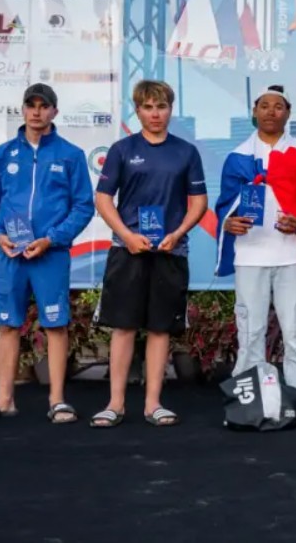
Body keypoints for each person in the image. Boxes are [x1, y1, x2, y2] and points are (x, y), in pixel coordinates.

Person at [0, 84, 95, 424]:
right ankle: (4, 399)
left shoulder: (70, 155)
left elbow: (83, 206)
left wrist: (52, 238)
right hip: (11, 255)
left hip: (50, 255)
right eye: (31, 105)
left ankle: (57, 400)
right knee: (8, 324)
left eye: (44, 105)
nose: (37, 111)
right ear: (23, 110)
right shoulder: (3, 154)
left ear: (55, 111)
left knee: (56, 324)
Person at [215, 84, 296, 426]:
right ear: (254, 111)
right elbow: (224, 205)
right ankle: (247, 403)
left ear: (288, 113)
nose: (271, 111)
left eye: (278, 106)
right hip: (250, 256)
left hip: (291, 256)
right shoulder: (238, 156)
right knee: (249, 332)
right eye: (264, 105)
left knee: (295, 331)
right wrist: (229, 223)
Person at [91, 80, 208, 428]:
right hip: (127, 251)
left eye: (161, 107)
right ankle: (115, 404)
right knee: (123, 327)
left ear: (171, 109)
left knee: (160, 329)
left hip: (171, 250)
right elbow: (103, 199)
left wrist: (177, 233)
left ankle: (153, 404)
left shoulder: (186, 152)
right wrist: (127, 236)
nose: (155, 114)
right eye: (148, 107)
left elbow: (199, 202)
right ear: (137, 111)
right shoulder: (122, 149)